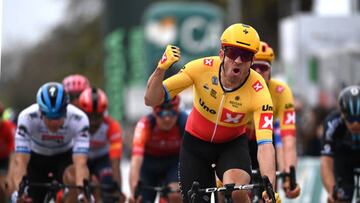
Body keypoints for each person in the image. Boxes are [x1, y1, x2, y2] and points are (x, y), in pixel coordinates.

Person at [144, 23, 280, 203]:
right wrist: (161, 70)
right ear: (222, 53)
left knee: (236, 191)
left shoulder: (259, 91)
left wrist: (269, 187)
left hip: (231, 146)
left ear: (252, 60)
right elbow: (151, 99)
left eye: (246, 55)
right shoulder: (201, 69)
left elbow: (265, 145)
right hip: (195, 146)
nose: (238, 60)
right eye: (232, 52)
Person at [8, 82, 91, 202]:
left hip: (64, 157)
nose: (54, 122)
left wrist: (82, 194)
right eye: (50, 117)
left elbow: (81, 164)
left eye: (58, 117)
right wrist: (21, 192)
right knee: (24, 196)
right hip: (36, 159)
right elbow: (20, 161)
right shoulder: (27, 118)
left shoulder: (79, 119)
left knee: (73, 178)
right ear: (41, 112)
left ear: (66, 110)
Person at [248, 41, 301, 198]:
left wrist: (290, 176)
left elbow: (288, 140)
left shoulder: (282, 91)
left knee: (270, 192)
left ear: (270, 70)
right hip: (239, 140)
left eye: (263, 67)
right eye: (253, 67)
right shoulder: (239, 88)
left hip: (265, 141)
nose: (258, 71)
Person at [129, 96, 187, 203]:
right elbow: (135, 161)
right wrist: (134, 191)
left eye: (172, 113)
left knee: (175, 195)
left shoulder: (184, 122)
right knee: (140, 199)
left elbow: (192, 156)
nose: (167, 118)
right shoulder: (145, 124)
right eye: (162, 113)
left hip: (173, 163)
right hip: (149, 165)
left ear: (178, 111)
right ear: (155, 113)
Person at [78, 87, 125, 203]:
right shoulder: (76, 125)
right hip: (81, 158)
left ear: (104, 114)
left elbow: (115, 162)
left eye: (97, 117)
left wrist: (118, 189)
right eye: (89, 116)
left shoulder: (112, 127)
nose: (93, 122)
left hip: (102, 159)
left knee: (109, 181)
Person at [321, 85, 360, 203]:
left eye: (359, 119)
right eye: (350, 119)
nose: (355, 124)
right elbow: (326, 163)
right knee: (339, 197)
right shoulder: (332, 123)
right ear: (342, 114)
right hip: (343, 157)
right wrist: (332, 192)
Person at [0, 101, 16, 203]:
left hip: (6, 159)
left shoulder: (9, 127)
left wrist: (9, 176)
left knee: (7, 184)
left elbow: (13, 154)